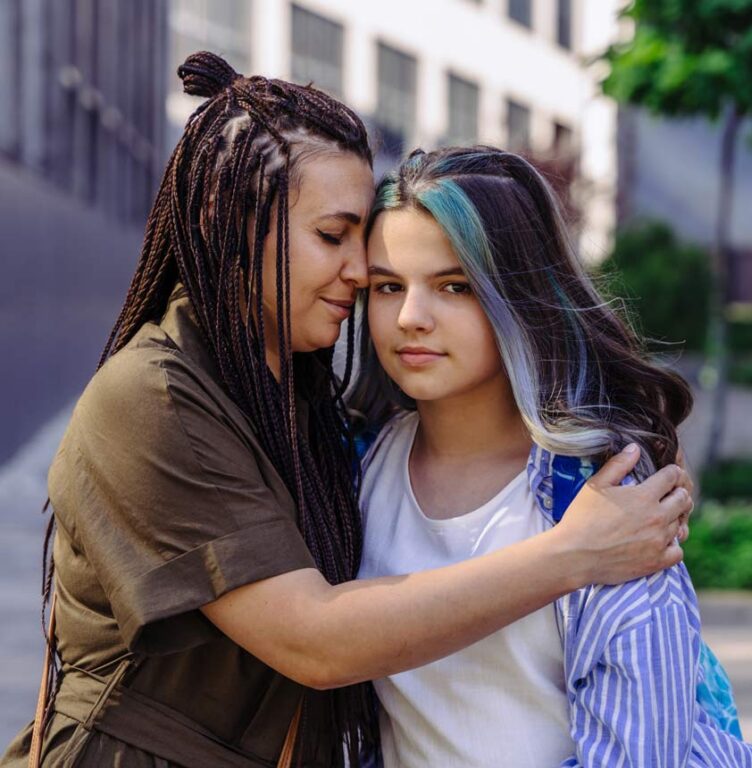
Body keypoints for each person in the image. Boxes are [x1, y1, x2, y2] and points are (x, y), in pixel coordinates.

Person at [2, 55, 693, 768]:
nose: (364, 278)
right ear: (228, 223)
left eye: (451, 286)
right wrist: (571, 555)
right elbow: (317, 640)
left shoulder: (327, 413)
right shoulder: (156, 397)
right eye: (336, 239)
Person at [354, 146, 752, 767]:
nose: (410, 317)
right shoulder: (361, 462)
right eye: (388, 286)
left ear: (517, 296)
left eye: (455, 286)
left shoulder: (601, 492)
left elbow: (639, 754)